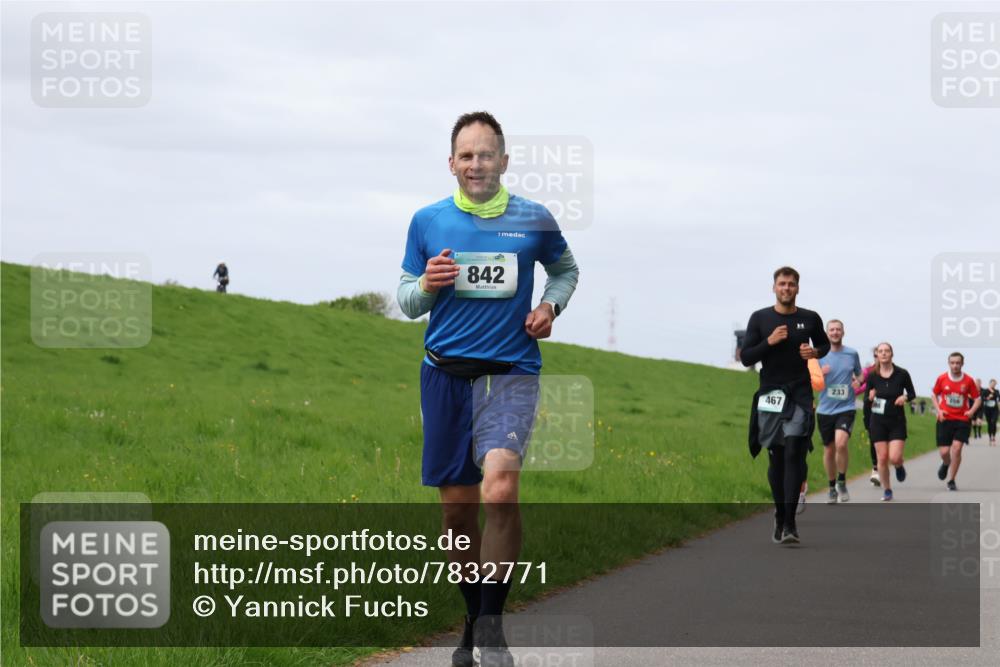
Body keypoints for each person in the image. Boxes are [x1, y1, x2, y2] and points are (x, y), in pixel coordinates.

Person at [396, 111, 579, 667]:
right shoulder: (427, 221)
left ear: (504, 160)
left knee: (499, 490)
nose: (477, 164)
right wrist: (426, 284)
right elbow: (406, 301)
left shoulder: (534, 219)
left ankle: (493, 627)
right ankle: (473, 618)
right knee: (456, 514)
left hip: (510, 372)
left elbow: (565, 270)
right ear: (451, 163)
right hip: (445, 376)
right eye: (466, 155)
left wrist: (550, 305)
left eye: (487, 153)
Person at [742, 266, 830, 544]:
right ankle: (780, 515)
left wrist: (814, 352)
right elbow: (746, 357)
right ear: (774, 288)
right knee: (777, 457)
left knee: (794, 451)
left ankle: (791, 523)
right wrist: (768, 342)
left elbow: (824, 345)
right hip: (770, 394)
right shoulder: (760, 318)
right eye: (782, 284)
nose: (787, 288)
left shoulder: (810, 318)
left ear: (798, 288)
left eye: (791, 284)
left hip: (800, 394)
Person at [816, 320, 862, 504]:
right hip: (825, 409)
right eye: (831, 330)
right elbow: (810, 378)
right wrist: (821, 373)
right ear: (827, 333)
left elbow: (859, 374)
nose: (835, 332)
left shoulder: (852, 353)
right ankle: (831, 486)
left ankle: (842, 482)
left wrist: (858, 381)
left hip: (846, 407)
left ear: (843, 332)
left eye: (838, 329)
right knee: (829, 449)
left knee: (841, 444)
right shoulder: (819, 355)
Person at [867, 342, 916, 501]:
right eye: (880, 351)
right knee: (882, 458)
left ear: (891, 354)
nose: (883, 354)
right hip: (878, 421)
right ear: (877, 355)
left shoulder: (902, 373)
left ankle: (899, 466)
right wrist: (870, 396)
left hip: (897, 420)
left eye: (886, 351)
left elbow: (912, 393)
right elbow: (868, 395)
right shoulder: (873, 375)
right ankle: (887, 490)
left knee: (894, 457)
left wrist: (905, 397)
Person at [931, 353, 982, 491]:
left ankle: (951, 480)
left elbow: (977, 399)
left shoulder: (968, 380)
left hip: (962, 420)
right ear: (948, 363)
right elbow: (934, 394)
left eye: (957, 363)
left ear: (962, 364)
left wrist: (971, 411)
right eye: (952, 363)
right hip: (945, 419)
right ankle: (946, 463)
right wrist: (938, 410)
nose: (955, 365)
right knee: (944, 452)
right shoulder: (942, 378)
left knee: (957, 448)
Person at [857, 348, 880, 486]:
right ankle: (876, 469)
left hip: (888, 410)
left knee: (885, 441)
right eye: (876, 355)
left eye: (884, 353)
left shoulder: (894, 372)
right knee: (873, 438)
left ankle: (884, 465)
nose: (879, 357)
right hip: (870, 408)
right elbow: (860, 384)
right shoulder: (868, 371)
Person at [983, 379, 999, 446]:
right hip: (987, 409)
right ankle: (990, 438)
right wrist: (987, 398)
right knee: (989, 423)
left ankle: (994, 437)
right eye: (992, 383)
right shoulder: (985, 391)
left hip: (995, 409)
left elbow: (998, 397)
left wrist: (992, 392)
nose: (993, 385)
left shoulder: (996, 391)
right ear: (989, 383)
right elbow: (982, 398)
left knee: (994, 422)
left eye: (994, 384)